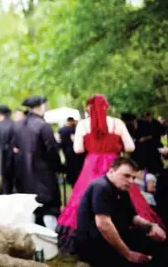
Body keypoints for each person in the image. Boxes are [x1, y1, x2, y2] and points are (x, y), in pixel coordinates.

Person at [56, 95, 164, 252]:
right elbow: (130, 147)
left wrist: (93, 146)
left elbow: (78, 149)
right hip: (114, 164)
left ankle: (88, 237)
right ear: (106, 107)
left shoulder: (83, 125)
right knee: (127, 197)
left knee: (85, 198)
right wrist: (114, 146)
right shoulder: (117, 123)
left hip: (91, 166)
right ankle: (129, 232)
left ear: (88, 108)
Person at [74, 157, 167, 267]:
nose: (131, 181)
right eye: (126, 176)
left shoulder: (122, 189)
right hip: (95, 244)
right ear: (111, 171)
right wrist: (128, 254)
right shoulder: (101, 187)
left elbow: (133, 217)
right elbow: (103, 224)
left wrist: (151, 226)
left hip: (114, 238)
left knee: (160, 244)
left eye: (133, 177)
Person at [11, 95, 62, 230]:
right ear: (40, 106)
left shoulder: (17, 126)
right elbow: (52, 150)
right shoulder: (43, 126)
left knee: (31, 207)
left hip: (24, 175)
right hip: (44, 174)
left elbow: (15, 149)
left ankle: (34, 238)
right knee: (49, 207)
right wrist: (60, 167)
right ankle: (52, 238)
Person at [59, 117, 84, 186]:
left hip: (68, 153)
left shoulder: (62, 130)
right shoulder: (76, 129)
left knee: (71, 169)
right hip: (77, 153)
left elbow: (61, 142)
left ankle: (71, 180)